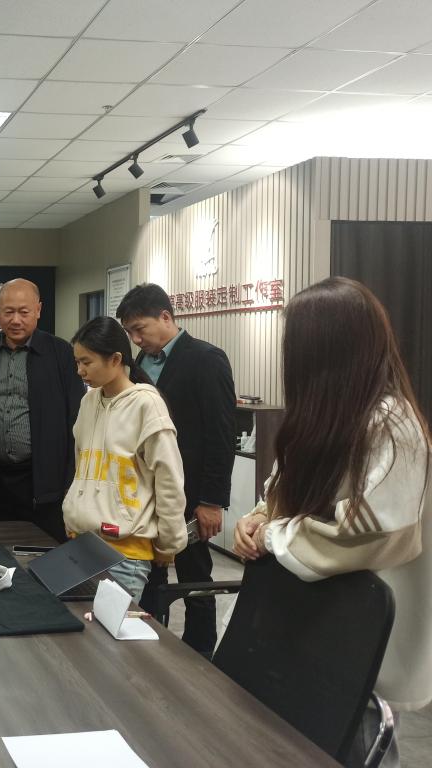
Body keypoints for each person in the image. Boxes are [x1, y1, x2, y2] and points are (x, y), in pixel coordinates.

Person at [234, 277, 432, 719]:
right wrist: (257, 518)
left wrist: (272, 535)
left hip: (356, 641)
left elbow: (369, 533)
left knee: (346, 737)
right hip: (305, 627)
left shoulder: (392, 424)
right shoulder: (322, 415)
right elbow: (286, 495)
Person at [117, 283, 235, 657]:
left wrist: (212, 501)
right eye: (130, 332)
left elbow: (221, 436)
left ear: (165, 317)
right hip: (143, 495)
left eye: (140, 329)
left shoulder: (206, 359)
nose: (136, 339)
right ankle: (152, 647)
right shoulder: (136, 364)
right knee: (150, 576)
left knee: (194, 577)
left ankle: (200, 653)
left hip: (189, 496)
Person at [62, 317, 187, 602]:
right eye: (77, 362)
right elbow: (82, 465)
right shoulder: (89, 401)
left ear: (116, 359)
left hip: (125, 553)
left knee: (111, 631)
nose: (80, 370)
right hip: (81, 543)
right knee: (81, 627)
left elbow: (169, 479)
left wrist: (169, 542)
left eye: (86, 362)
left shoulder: (146, 404)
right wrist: (74, 513)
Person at [0, 279, 85, 542]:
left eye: (24, 312)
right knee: (0, 548)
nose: (15, 320)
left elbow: (77, 420)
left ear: (38, 310)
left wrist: (74, 480)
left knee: (46, 551)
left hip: (45, 480)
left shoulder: (61, 354)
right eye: (8, 312)